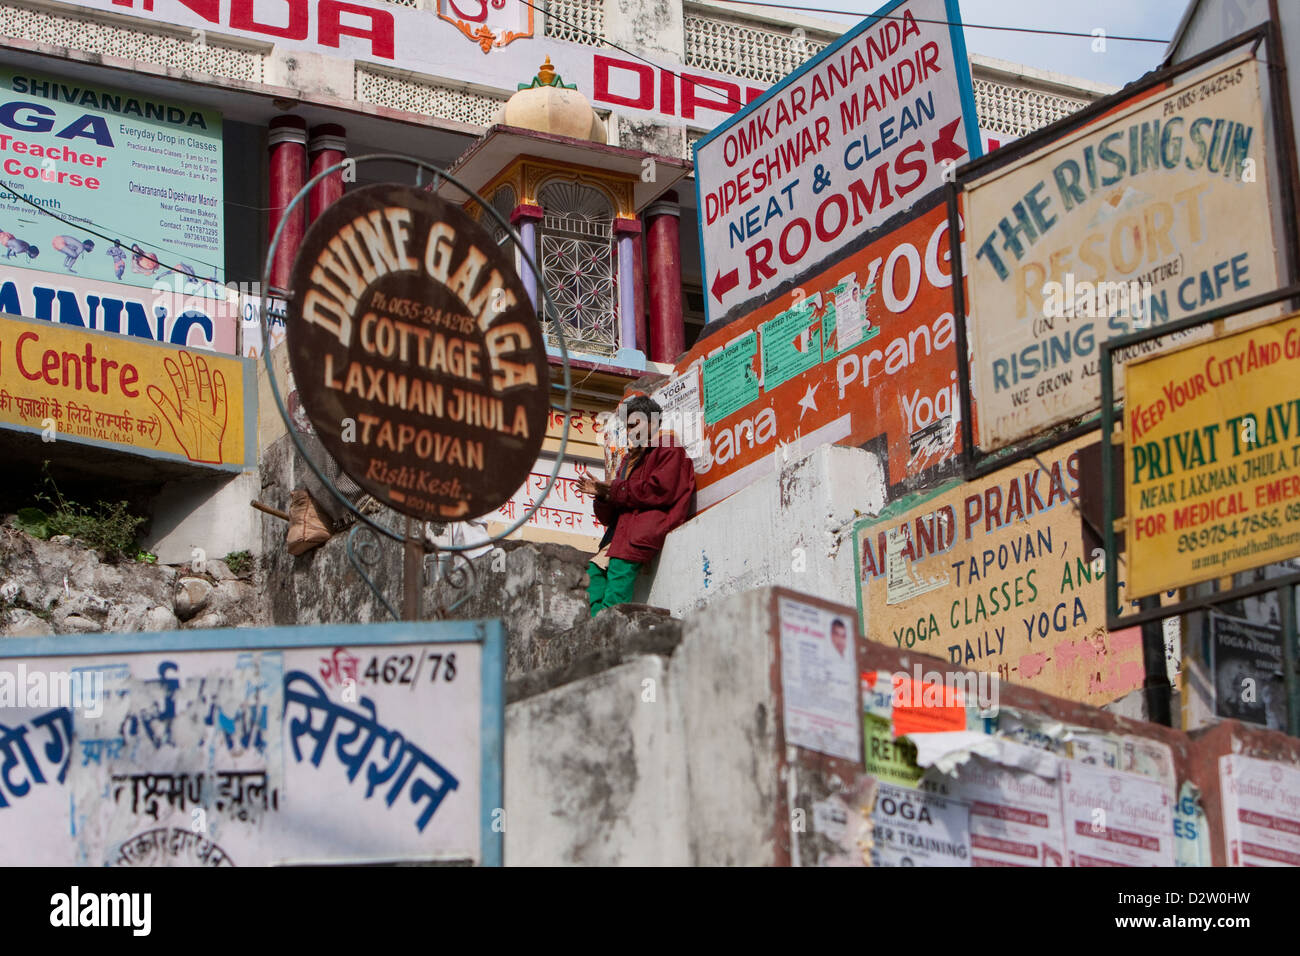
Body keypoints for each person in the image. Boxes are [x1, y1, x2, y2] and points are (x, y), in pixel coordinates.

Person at [577, 394, 695, 617]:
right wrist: (602, 496)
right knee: (593, 572)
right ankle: (597, 624)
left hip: (640, 531)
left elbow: (659, 491)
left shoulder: (668, 449)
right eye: (627, 426)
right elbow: (610, 515)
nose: (630, 431)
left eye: (634, 424)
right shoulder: (628, 460)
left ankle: (607, 629)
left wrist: (614, 490)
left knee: (618, 579)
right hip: (618, 534)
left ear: (651, 421)